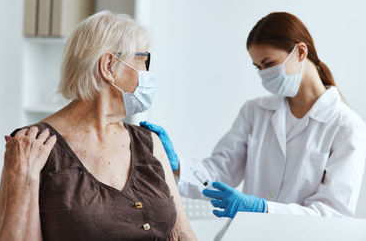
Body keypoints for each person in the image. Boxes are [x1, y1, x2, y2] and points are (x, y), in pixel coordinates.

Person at [0, 11, 197, 241]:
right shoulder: (33, 145)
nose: (147, 73)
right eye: (143, 60)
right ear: (109, 66)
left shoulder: (149, 142)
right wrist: (23, 179)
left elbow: (181, 235)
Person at [141, 12, 366, 219]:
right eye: (258, 67)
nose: (264, 74)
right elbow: (218, 174)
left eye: (269, 64)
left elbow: (333, 214)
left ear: (300, 52)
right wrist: (176, 164)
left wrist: (263, 209)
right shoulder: (255, 112)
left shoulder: (347, 126)